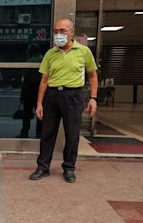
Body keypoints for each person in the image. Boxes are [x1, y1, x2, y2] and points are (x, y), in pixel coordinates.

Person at [29, 18, 98, 183]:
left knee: (72, 135)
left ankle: (69, 168)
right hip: (52, 96)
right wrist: (39, 103)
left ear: (71, 32)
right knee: (47, 134)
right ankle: (42, 167)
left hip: (74, 96)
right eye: (56, 31)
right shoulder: (50, 54)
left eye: (62, 31)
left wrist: (93, 98)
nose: (58, 34)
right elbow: (44, 80)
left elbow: (92, 75)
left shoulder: (83, 51)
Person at [16, 43, 43, 138]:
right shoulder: (43, 58)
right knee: (40, 113)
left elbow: (26, 79)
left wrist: (22, 95)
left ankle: (25, 132)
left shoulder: (30, 61)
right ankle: (39, 133)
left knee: (27, 113)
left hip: (30, 89)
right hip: (40, 90)